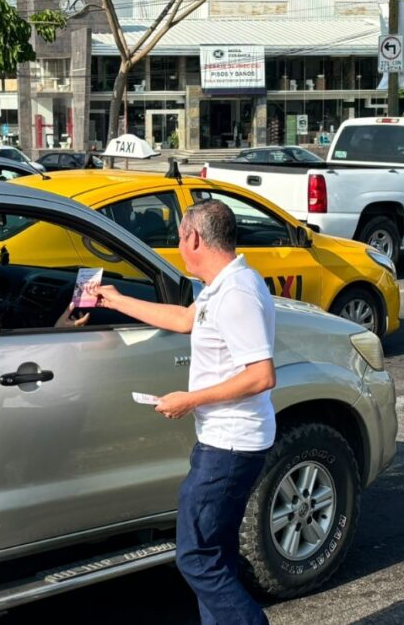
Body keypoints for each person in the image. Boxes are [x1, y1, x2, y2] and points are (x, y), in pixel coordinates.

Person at [96, 199, 276, 625]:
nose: (178, 245)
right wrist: (116, 300)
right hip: (222, 440)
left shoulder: (237, 293)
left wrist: (188, 400)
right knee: (216, 554)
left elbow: (262, 375)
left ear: (193, 237)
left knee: (196, 557)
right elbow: (181, 319)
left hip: (231, 445)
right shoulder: (222, 285)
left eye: (178, 237)